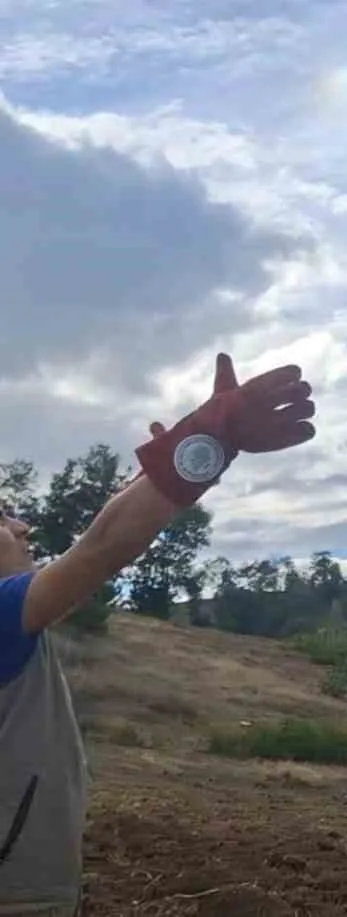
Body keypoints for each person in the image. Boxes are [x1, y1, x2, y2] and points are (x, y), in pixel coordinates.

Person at [0, 353, 317, 915]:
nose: (22, 526)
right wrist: (208, 441)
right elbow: (103, 547)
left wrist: (168, 465)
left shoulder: (17, 627)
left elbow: (95, 545)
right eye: (3, 519)